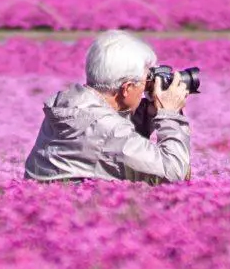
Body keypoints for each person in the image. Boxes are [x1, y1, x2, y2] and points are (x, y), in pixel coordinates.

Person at [24, 30, 191, 183]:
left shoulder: (68, 104)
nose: (147, 86)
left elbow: (110, 145)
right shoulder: (108, 129)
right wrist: (169, 114)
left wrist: (149, 112)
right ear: (127, 88)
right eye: (146, 81)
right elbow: (174, 172)